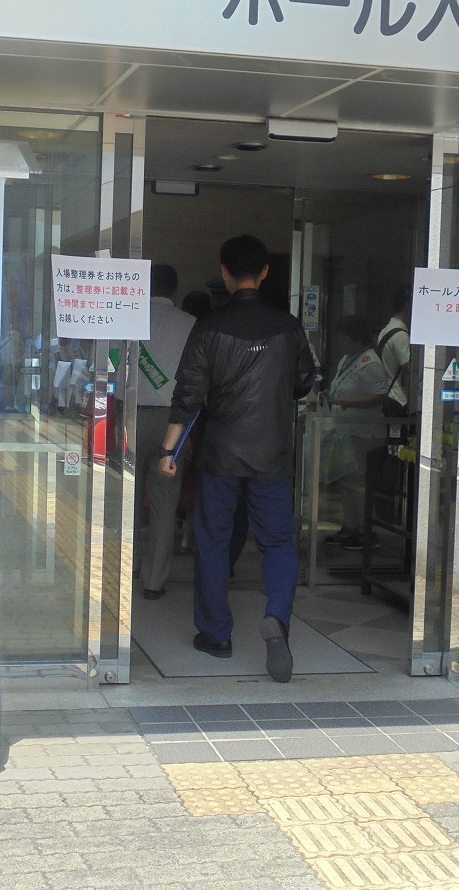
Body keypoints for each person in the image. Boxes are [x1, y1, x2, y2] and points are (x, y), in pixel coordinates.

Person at [160, 235, 316, 683]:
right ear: (264, 272)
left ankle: (216, 635)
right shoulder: (288, 326)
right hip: (272, 454)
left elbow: (188, 393)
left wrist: (169, 450)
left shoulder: (209, 327)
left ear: (224, 272)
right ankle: (277, 618)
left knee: (213, 541)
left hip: (221, 455)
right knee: (278, 542)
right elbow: (304, 381)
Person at [135, 263, 197, 600]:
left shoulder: (126, 317)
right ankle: (153, 581)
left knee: (126, 499)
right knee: (164, 503)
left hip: (129, 417)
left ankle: (127, 565)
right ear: (175, 290)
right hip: (173, 423)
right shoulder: (190, 324)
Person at [321, 315, 391, 551]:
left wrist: (351, 403)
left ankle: (365, 531)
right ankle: (350, 527)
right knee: (347, 480)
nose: (339, 342)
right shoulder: (348, 359)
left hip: (364, 432)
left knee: (357, 482)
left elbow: (381, 395)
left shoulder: (370, 362)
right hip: (347, 430)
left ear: (354, 338)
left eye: (342, 337)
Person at [375, 286, 415, 422]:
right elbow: (408, 367)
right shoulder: (400, 335)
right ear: (407, 307)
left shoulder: (385, 331)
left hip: (388, 394)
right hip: (398, 398)